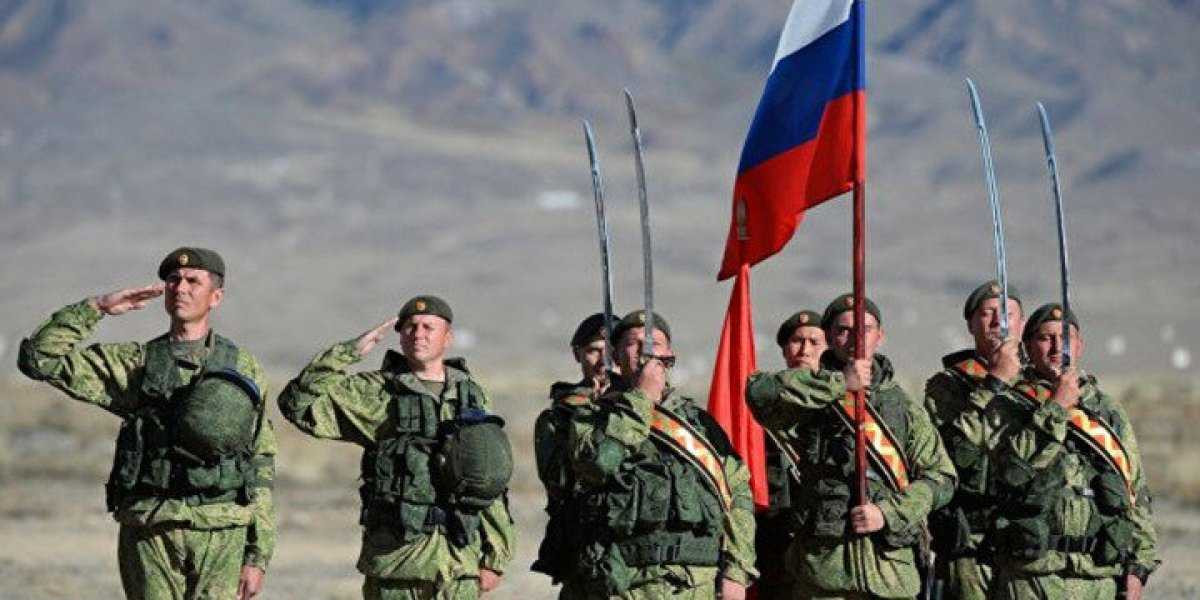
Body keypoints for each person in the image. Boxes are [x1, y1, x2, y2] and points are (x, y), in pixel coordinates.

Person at [17, 247, 276, 599]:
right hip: (151, 527)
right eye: (173, 280)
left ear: (216, 296)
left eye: (193, 281)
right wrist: (97, 307)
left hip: (222, 531)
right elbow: (38, 359)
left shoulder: (243, 368)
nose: (180, 288)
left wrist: (258, 556)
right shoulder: (136, 364)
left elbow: (260, 460)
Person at [277, 295, 515, 600]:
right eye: (410, 327)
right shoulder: (375, 392)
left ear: (448, 337)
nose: (418, 334)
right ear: (400, 337)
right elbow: (297, 405)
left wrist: (495, 557)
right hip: (396, 565)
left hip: (457, 564)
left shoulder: (471, 395)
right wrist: (348, 353)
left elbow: (489, 480)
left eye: (428, 327)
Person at [746, 293, 956, 599]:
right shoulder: (810, 394)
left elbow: (941, 478)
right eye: (843, 330)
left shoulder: (904, 407)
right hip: (823, 575)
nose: (855, 338)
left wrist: (888, 513)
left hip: (889, 576)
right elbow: (760, 394)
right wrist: (838, 384)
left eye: (865, 329)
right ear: (829, 337)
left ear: (880, 336)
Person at [562, 310, 757, 599]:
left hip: (694, 584)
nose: (646, 351)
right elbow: (597, 464)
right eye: (633, 343)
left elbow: (737, 494)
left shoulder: (699, 425)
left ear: (669, 356)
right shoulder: (592, 417)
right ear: (615, 356)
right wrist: (641, 400)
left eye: (655, 343)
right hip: (623, 582)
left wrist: (736, 572)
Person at [985, 304, 1159, 599]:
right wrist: (1056, 408)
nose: (1057, 347)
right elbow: (1012, 470)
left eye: (1066, 338)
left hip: (1098, 576)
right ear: (1027, 347)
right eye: (1046, 338)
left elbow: (1135, 490)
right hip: (1032, 576)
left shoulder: (1107, 411)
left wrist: (1139, 566)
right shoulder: (1008, 405)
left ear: (1080, 346)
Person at [923, 281, 1024, 599]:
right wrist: (994, 384)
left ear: (1022, 324)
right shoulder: (948, 386)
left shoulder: (1041, 384)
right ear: (970, 324)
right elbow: (953, 454)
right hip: (972, 540)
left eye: (1007, 314)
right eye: (987, 313)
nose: (998, 322)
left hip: (1030, 544)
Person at [533, 312, 619, 583]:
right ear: (577, 354)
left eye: (612, 351)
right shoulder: (559, 417)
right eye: (594, 351)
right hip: (584, 547)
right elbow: (560, 481)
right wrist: (593, 414)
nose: (604, 361)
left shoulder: (647, 408)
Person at [756, 310, 827, 599]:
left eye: (814, 342)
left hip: (827, 547)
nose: (805, 350)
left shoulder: (847, 409)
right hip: (775, 547)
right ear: (785, 350)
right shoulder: (763, 404)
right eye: (797, 341)